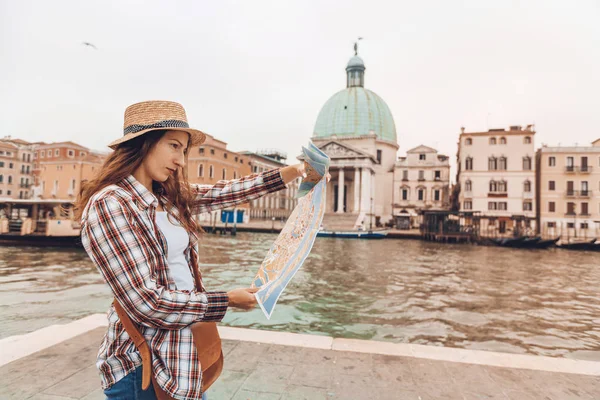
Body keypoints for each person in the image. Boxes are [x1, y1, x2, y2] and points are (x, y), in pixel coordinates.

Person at [76, 100, 308, 400]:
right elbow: (147, 302)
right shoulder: (110, 204)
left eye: (184, 150)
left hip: (181, 358)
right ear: (143, 143)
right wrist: (226, 301)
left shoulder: (167, 197)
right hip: (141, 368)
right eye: (174, 146)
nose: (181, 160)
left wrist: (296, 170)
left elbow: (225, 192)